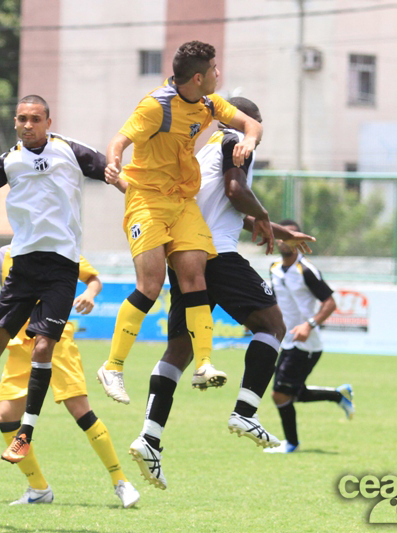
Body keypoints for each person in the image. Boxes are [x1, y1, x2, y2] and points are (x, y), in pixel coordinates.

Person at [128, 97, 315, 489]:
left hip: (188, 255)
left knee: (177, 352)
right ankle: (246, 411)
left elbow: (230, 209)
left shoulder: (206, 151)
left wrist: (280, 232)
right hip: (217, 255)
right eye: (256, 126)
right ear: (250, 121)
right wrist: (266, 216)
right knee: (272, 325)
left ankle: (149, 437)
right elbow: (235, 191)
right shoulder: (236, 142)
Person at [0, 94, 121, 464]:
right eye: (21, 118)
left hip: (61, 265)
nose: (27, 124)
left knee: (42, 347)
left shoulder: (69, 151)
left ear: (48, 122)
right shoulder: (9, 161)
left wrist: (130, 186)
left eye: (34, 118)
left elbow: (108, 170)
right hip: (21, 263)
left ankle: (26, 433)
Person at [98, 41, 265, 405]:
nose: (220, 75)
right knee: (151, 284)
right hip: (147, 201)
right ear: (199, 77)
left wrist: (248, 141)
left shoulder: (208, 103)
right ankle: (112, 366)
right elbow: (120, 139)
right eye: (215, 69)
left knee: (195, 276)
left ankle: (203, 363)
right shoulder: (155, 106)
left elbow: (250, 123)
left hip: (181, 201)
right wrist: (114, 161)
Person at [0, 239, 140, 508]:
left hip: (56, 341)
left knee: (81, 411)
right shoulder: (6, 253)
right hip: (19, 345)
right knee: (6, 417)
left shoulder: (58, 247)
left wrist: (90, 293)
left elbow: (93, 278)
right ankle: (39, 489)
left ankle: (121, 481)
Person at [264, 219, 354, 454]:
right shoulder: (274, 268)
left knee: (279, 394)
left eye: (292, 236)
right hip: (287, 341)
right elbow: (275, 301)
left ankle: (291, 444)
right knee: (293, 392)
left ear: (299, 240)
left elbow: (330, 302)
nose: (286, 240)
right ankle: (338, 395)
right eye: (282, 236)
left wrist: (309, 325)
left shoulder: (307, 270)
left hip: (306, 344)